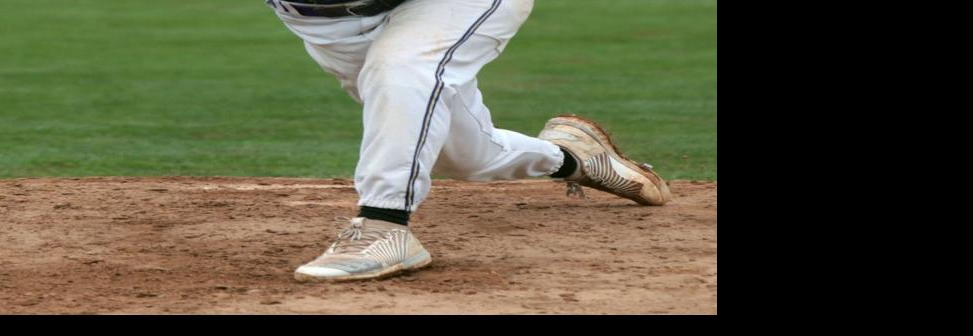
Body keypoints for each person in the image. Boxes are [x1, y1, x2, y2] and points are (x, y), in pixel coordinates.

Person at [267, 0, 672, 282]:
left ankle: (383, 226)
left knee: (404, 68)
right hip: (324, 24)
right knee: (455, 155)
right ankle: (574, 157)